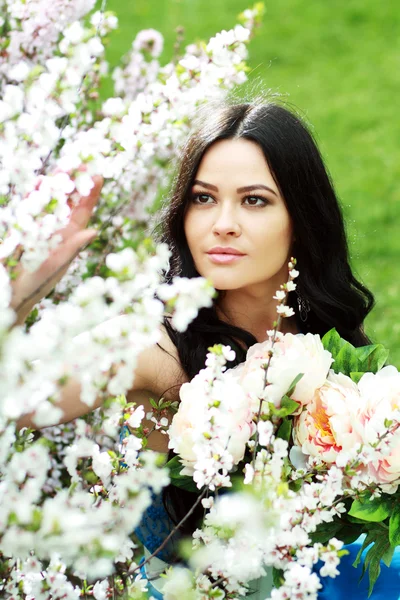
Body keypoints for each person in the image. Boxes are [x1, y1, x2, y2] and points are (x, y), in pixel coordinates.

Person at [12, 100, 399, 598]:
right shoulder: (156, 350)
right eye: (203, 198)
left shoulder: (328, 342)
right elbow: (16, 401)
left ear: (301, 217)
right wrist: (20, 292)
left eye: (254, 200)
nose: (223, 223)